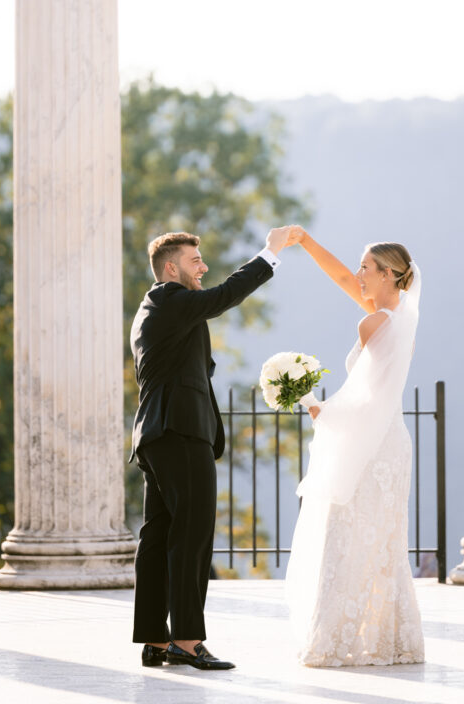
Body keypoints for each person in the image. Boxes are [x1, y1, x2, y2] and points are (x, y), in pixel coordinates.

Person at [130, 226, 291, 671]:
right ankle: (186, 640)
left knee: (160, 536)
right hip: (180, 432)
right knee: (192, 536)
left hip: (158, 434)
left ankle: (156, 642)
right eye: (194, 261)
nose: (202, 268)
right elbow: (223, 296)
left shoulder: (160, 310)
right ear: (170, 267)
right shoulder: (168, 299)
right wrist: (269, 254)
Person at [284, 227, 425, 667]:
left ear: (386, 274)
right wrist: (306, 242)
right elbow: (346, 282)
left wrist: (315, 408)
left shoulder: (373, 322)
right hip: (391, 441)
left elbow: (361, 400)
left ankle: (333, 639)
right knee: (382, 540)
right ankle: (390, 638)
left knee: (344, 535)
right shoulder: (401, 316)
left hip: (371, 442)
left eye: (366, 267)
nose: (359, 273)